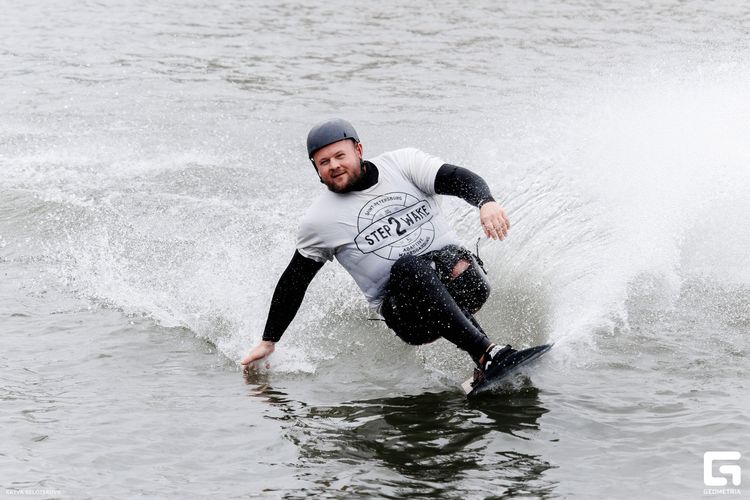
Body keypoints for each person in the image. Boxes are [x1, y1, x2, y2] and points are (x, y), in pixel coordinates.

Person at [241, 118, 514, 384]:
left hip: (466, 283)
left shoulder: (403, 164)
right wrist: (269, 340)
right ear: (316, 168)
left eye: (340, 156)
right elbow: (294, 281)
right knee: (409, 267)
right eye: (324, 162)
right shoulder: (320, 221)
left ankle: (485, 360)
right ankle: (487, 354)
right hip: (411, 317)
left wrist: (485, 202)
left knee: (446, 256)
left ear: (358, 150)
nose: (334, 165)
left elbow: (456, 178)